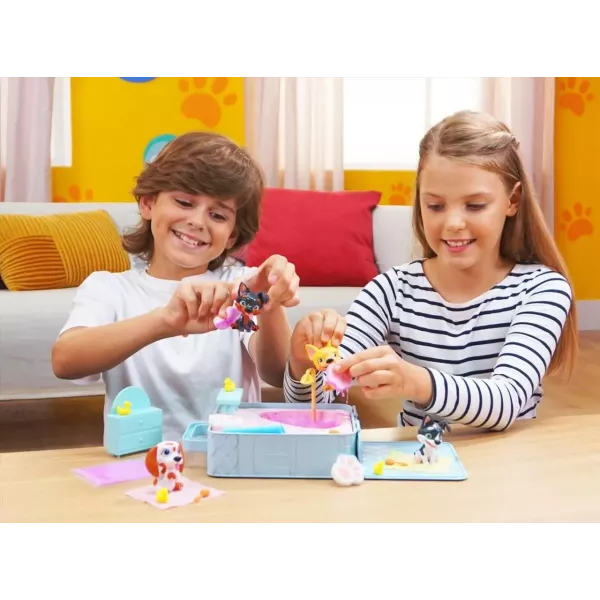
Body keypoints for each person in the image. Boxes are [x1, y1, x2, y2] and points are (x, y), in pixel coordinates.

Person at [283, 110, 577, 432]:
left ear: (513, 200)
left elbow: (505, 402)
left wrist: (415, 381)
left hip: (508, 459)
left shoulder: (542, 289)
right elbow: (315, 406)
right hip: (416, 459)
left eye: (475, 205)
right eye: (435, 206)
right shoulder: (390, 291)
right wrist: (302, 364)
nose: (453, 223)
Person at [52, 132, 300, 441]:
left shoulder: (240, 287)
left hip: (230, 456)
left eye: (217, 215)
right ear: (148, 203)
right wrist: (165, 322)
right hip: (140, 458)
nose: (197, 221)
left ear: (232, 237)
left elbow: (277, 373)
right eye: (184, 202)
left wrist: (269, 304)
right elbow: (65, 361)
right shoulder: (109, 289)